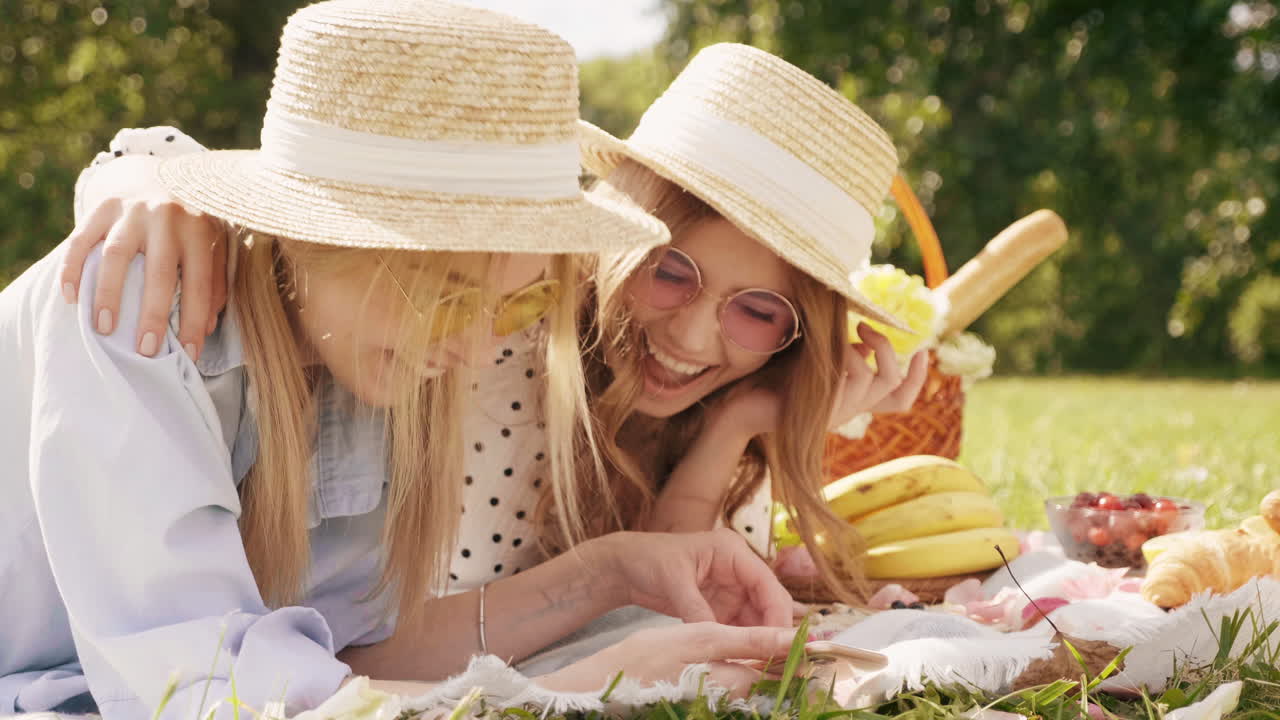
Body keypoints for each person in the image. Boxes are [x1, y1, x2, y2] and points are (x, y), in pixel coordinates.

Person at [1, 3, 795, 718]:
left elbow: (340, 661)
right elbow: (204, 695)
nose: (479, 348)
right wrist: (564, 694)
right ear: (317, 236)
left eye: (518, 307)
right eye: (446, 298)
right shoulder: (132, 303)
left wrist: (610, 575)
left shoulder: (359, 355)